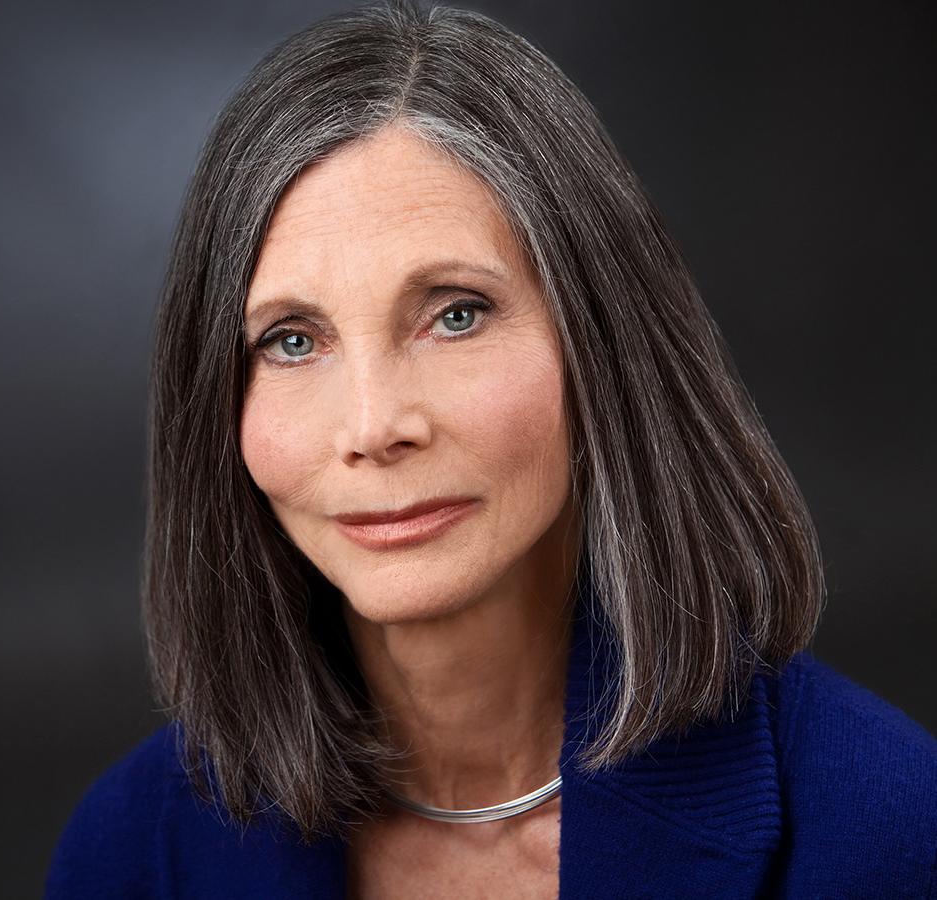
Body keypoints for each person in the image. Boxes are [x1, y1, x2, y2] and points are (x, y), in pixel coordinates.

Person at [46, 3, 937, 897]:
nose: (374, 426)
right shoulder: (128, 851)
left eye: (456, 314)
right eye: (292, 340)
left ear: (604, 339)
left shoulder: (886, 831)